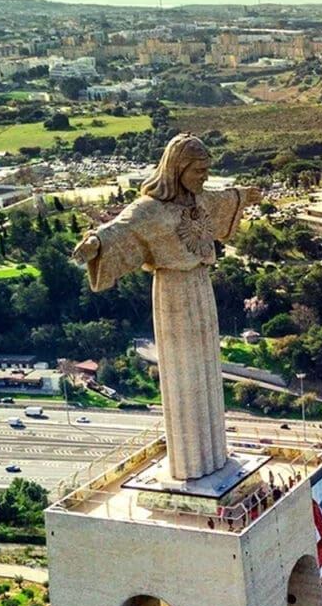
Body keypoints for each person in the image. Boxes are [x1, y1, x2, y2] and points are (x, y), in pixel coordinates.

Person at [71, 134, 261, 480]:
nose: (204, 177)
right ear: (177, 169)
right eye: (198, 170)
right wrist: (95, 244)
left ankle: (215, 459)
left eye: (206, 170)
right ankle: (191, 467)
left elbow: (223, 200)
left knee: (206, 365)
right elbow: (118, 230)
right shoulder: (150, 210)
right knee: (183, 372)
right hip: (173, 294)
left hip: (201, 289)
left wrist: (244, 195)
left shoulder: (199, 199)